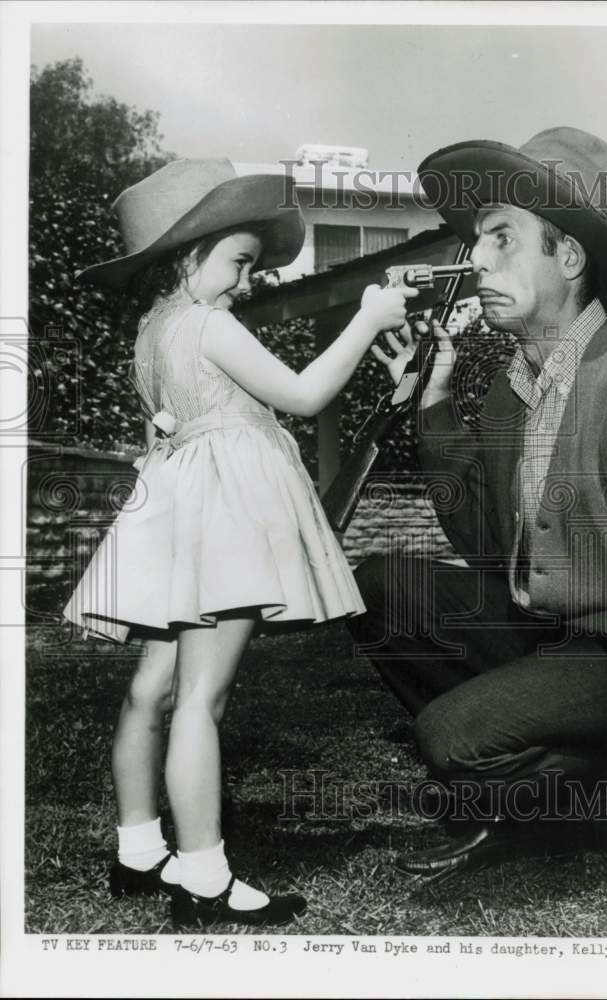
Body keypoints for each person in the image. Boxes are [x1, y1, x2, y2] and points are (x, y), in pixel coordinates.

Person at [351, 127, 607, 886]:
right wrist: (436, 406)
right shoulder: (514, 384)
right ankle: (524, 794)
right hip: (560, 635)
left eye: (501, 239)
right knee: (378, 588)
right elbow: (482, 549)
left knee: (452, 740)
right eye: (478, 242)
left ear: (569, 257)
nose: (475, 262)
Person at [63, 158, 416, 928]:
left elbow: (165, 429)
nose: (247, 281)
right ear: (187, 253)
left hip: (179, 508)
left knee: (151, 690)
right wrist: (368, 318)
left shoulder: (152, 333)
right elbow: (303, 394)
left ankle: (136, 851)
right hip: (222, 513)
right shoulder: (210, 324)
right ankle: (203, 878)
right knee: (201, 697)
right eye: (239, 262)